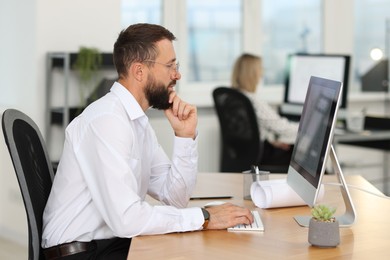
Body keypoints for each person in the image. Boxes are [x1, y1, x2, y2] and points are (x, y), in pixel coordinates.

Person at [41, 23, 253, 260]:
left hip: (108, 243)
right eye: (170, 66)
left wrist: (184, 136)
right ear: (139, 71)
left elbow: (175, 198)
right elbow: (127, 219)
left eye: (177, 65)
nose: (177, 75)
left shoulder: (137, 122)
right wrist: (205, 217)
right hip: (80, 252)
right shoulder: (107, 121)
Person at [231, 53, 299, 167]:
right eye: (260, 69)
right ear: (252, 73)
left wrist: (271, 141)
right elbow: (281, 127)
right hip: (261, 157)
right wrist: (307, 130)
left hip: (247, 154)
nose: (262, 73)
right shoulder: (253, 101)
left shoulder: (235, 97)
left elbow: (254, 130)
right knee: (300, 154)